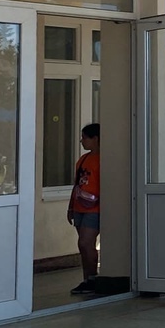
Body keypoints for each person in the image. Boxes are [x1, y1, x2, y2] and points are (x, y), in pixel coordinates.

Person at [66, 123, 101, 295]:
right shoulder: (83, 159)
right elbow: (76, 185)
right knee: (83, 245)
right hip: (80, 206)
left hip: (95, 208)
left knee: (86, 242)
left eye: (85, 137)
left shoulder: (103, 159)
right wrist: (71, 207)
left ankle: (93, 278)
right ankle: (87, 278)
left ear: (96, 139)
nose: (82, 141)